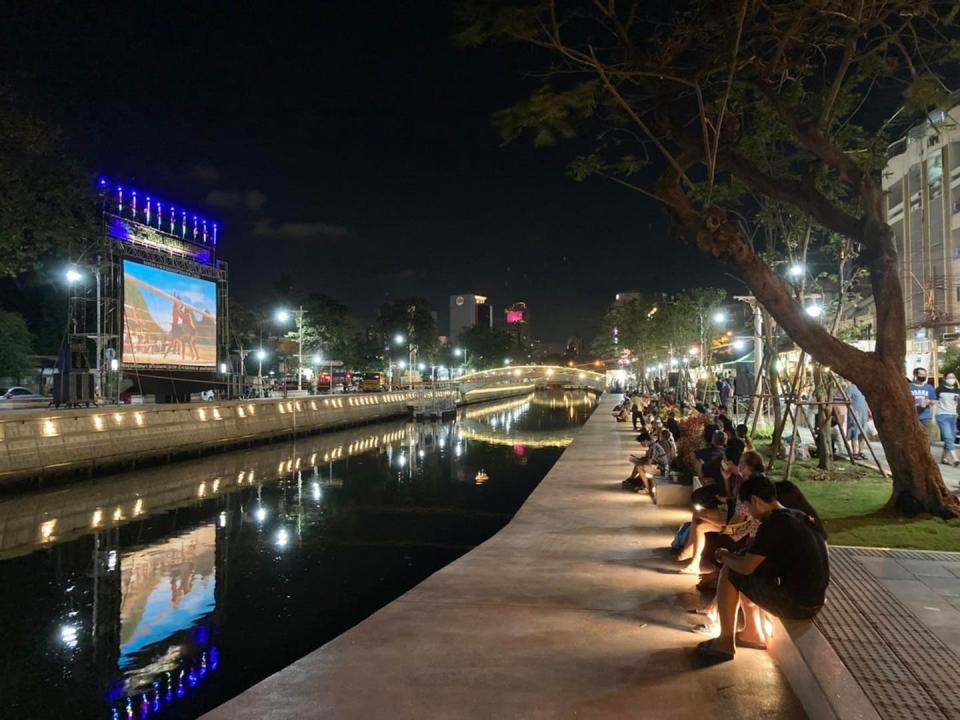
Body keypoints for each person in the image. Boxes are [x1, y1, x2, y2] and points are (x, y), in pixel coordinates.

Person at [695, 475, 829, 662]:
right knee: (745, 569)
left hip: (798, 605)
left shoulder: (774, 524)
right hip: (814, 599)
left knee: (731, 570)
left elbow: (746, 567)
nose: (749, 512)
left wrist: (723, 555)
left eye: (748, 506)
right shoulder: (797, 515)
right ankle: (752, 633)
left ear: (756, 501)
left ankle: (725, 643)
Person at [936, 372, 960, 466]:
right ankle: (955, 458)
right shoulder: (939, 390)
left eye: (953, 377)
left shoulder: (957, 391)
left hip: (953, 416)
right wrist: (934, 416)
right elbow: (935, 402)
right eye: (949, 377)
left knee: (951, 437)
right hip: (942, 415)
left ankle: (945, 458)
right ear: (945, 379)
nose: (952, 379)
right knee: (948, 437)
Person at [909, 367, 938, 444]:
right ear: (915, 375)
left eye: (925, 375)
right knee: (913, 439)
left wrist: (933, 418)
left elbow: (934, 402)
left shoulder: (929, 387)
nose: (923, 376)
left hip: (926, 417)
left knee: (927, 440)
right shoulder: (909, 387)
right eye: (921, 374)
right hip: (912, 417)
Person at [846, 383, 869, 460]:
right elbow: (847, 400)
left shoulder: (864, 387)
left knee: (863, 434)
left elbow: (866, 400)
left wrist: (869, 411)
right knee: (854, 433)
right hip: (855, 413)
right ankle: (855, 452)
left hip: (864, 413)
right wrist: (852, 410)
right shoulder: (851, 388)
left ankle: (861, 451)